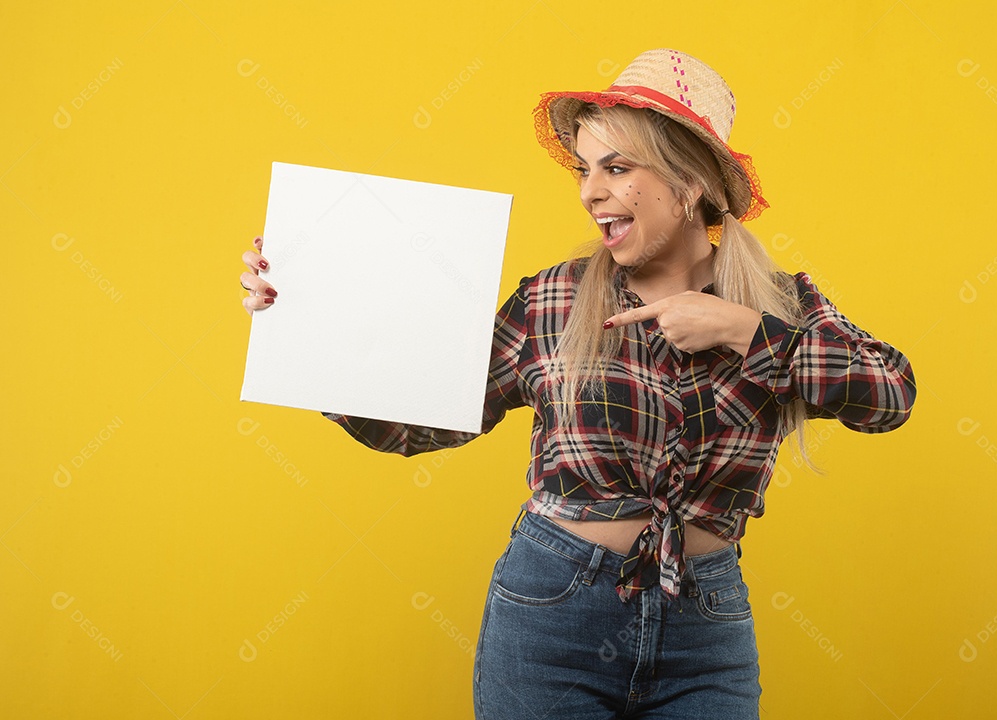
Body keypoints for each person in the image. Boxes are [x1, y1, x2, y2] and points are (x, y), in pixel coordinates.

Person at [239, 48, 916, 720]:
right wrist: (307, 321)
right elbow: (421, 424)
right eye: (584, 169)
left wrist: (743, 330)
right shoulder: (552, 302)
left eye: (617, 169)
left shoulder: (777, 304)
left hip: (707, 622)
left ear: (690, 184)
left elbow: (890, 397)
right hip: (552, 614)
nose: (590, 192)